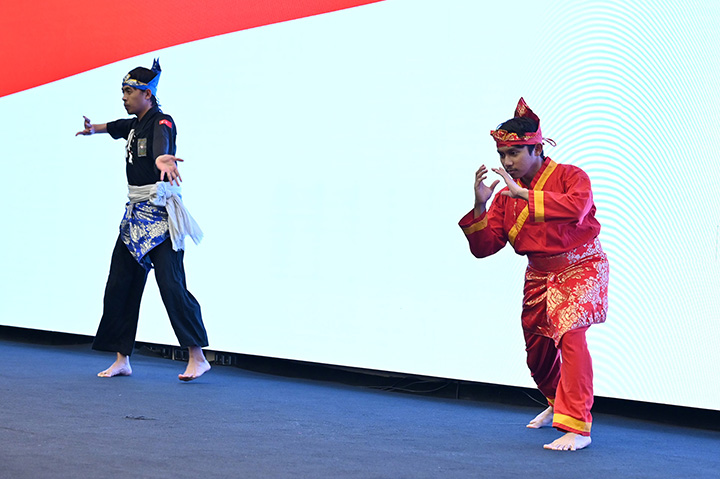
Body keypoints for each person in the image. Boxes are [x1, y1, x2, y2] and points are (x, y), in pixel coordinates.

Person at [458, 98, 609, 451]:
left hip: (581, 265)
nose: (507, 162)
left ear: (537, 149)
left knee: (570, 335)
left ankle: (577, 426)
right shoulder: (504, 198)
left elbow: (577, 207)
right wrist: (480, 205)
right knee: (537, 351)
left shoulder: (571, 176)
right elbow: (484, 247)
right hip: (540, 274)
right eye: (502, 155)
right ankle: (557, 401)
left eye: (514, 153)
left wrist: (525, 194)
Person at [76, 59, 210, 381]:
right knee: (120, 284)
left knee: (171, 284)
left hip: (161, 217)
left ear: (147, 94)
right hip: (135, 218)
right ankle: (122, 358)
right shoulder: (134, 125)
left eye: (129, 91)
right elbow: (116, 127)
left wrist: (162, 158)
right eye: (123, 91)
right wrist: (94, 128)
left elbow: (162, 143)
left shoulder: (161, 122)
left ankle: (197, 357)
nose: (124, 97)